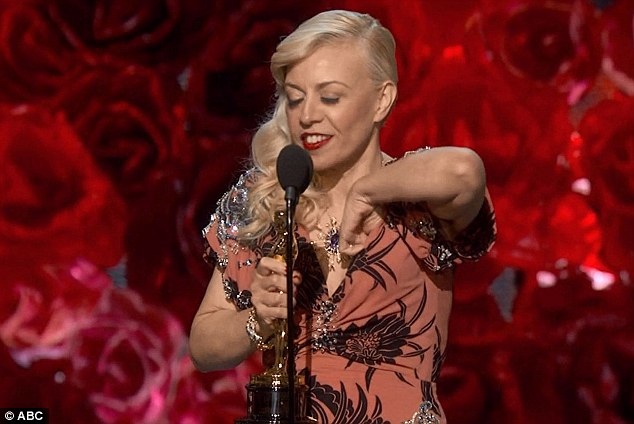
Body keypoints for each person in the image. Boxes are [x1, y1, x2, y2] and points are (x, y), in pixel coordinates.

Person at [189, 9, 496, 424]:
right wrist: (258, 318)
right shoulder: (267, 198)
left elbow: (464, 171)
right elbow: (203, 346)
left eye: (330, 97)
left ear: (381, 100)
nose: (307, 116)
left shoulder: (419, 198)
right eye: (295, 98)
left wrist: (367, 191)